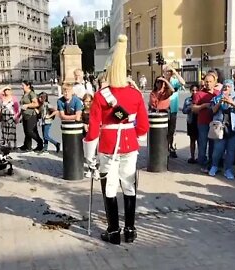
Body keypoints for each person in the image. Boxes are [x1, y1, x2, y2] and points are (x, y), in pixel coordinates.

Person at [83, 35, 149, 245]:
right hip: (130, 144)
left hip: (108, 145)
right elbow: (143, 126)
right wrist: (135, 137)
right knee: (129, 186)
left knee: (110, 188)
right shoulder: (135, 94)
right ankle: (130, 230)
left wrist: (89, 157)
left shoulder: (101, 96)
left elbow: (93, 129)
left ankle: (113, 231)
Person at [208, 80, 235, 180]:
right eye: (224, 86)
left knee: (230, 151)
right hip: (219, 128)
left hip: (233, 128)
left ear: (232, 88)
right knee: (217, 150)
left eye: (228, 86)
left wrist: (231, 102)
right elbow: (212, 111)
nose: (226, 88)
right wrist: (220, 102)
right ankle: (214, 166)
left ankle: (228, 169)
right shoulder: (215, 98)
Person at [192, 73, 221, 173]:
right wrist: (203, 106)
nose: (208, 84)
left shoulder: (218, 93)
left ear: (214, 82)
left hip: (215, 123)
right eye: (206, 82)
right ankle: (203, 164)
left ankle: (212, 164)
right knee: (203, 144)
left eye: (210, 82)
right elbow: (193, 109)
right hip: (203, 123)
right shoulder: (199, 94)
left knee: (214, 145)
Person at [164, 66, 186, 158]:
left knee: (171, 130)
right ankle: (164, 147)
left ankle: (170, 146)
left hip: (172, 109)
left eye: (170, 71)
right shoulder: (162, 81)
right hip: (164, 109)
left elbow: (183, 82)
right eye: (167, 71)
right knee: (164, 130)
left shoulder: (174, 81)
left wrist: (175, 72)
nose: (169, 73)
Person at [19, 80, 44, 152]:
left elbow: (36, 104)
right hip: (25, 115)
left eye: (23, 85)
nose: (22, 87)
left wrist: (27, 105)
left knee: (31, 131)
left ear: (28, 86)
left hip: (31, 114)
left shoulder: (31, 94)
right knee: (26, 131)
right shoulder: (24, 94)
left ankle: (40, 142)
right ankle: (27, 146)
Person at [0, 85, 20, 149]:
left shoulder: (13, 98)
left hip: (11, 117)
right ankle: (5, 145)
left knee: (11, 132)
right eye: (6, 90)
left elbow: (17, 109)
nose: (7, 91)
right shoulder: (3, 97)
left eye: (8, 90)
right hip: (3, 117)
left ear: (11, 91)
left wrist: (16, 117)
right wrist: (5, 87)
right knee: (4, 131)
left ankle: (13, 146)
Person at [182, 85, 200, 163]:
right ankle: (192, 156)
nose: (194, 92)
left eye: (196, 90)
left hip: (199, 121)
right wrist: (190, 107)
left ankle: (201, 157)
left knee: (200, 140)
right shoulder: (188, 100)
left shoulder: (200, 99)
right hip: (191, 121)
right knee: (192, 139)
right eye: (193, 90)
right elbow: (184, 110)